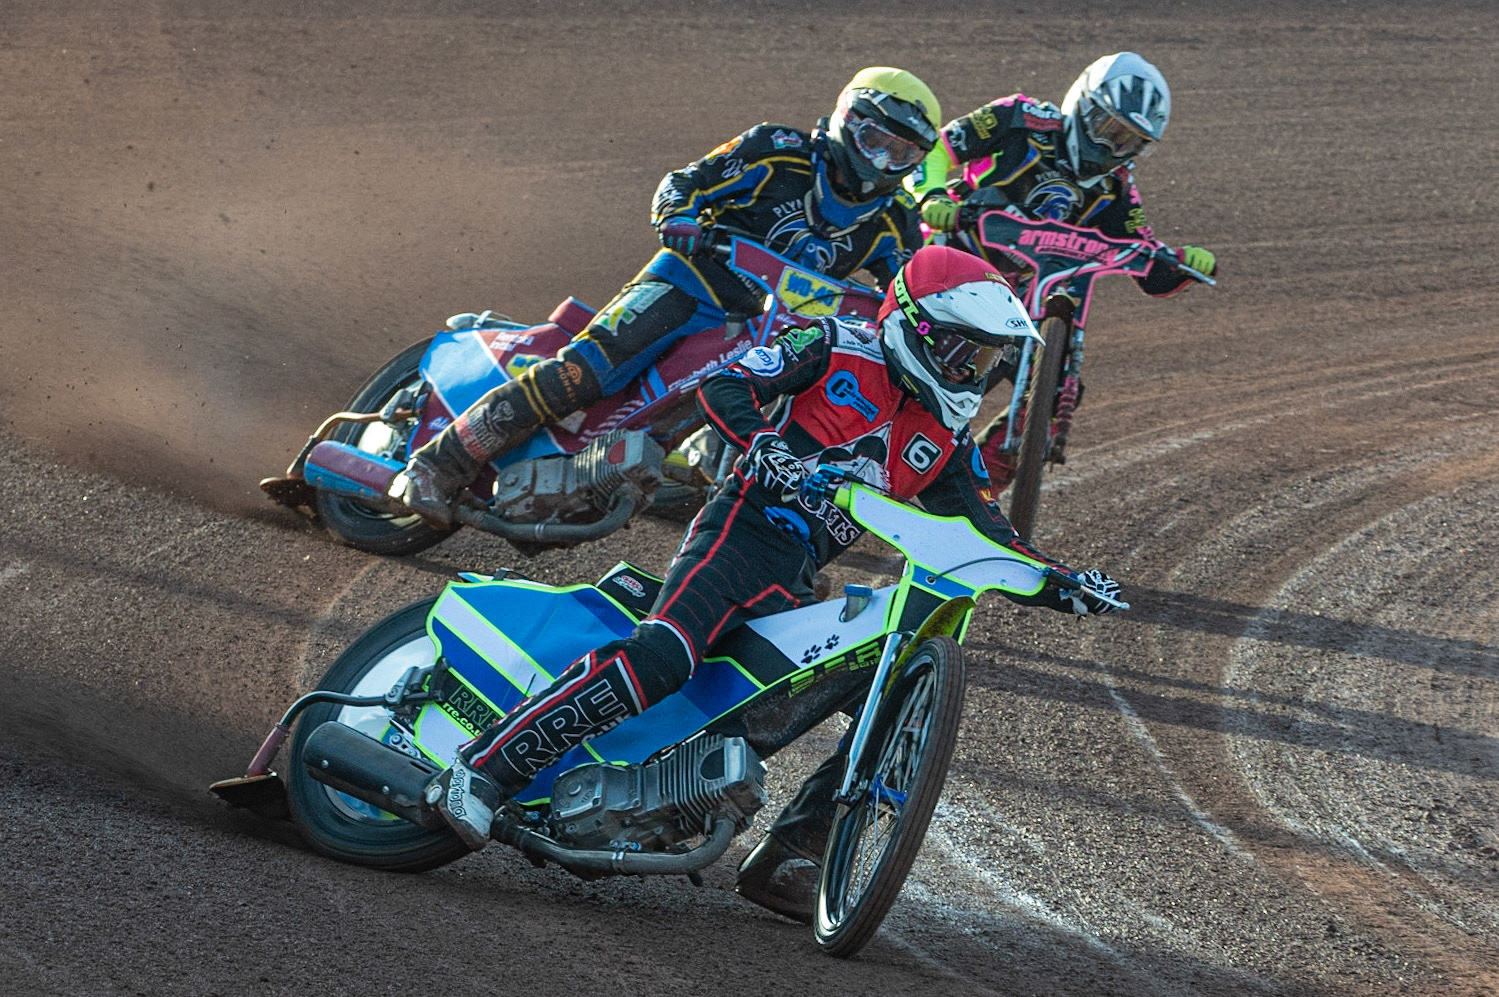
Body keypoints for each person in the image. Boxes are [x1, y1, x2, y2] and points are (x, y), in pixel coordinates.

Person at [420, 245, 1124, 923]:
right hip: (739, 530)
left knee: (886, 677)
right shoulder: (835, 343)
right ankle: (484, 769)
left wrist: (1061, 581)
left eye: (987, 358)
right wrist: (763, 441)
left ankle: (791, 854)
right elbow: (726, 385)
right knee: (664, 653)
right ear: (919, 328)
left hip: (797, 575)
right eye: (964, 352)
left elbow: (985, 531)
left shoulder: (942, 440)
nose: (975, 371)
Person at [392, 67, 943, 527]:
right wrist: (678, 216)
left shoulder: (896, 222)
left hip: (768, 329)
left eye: (902, 155)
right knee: (581, 376)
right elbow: (686, 181)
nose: (882, 162)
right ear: (848, 122)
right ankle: (437, 465)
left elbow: (905, 290)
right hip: (690, 283)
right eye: (875, 141)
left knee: (739, 420)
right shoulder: (777, 150)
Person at [907, 52, 1218, 481]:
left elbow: (1145, 259)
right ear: (1082, 105)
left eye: (1128, 143)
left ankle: (971, 492)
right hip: (948, 254)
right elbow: (938, 147)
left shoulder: (1116, 189)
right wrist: (933, 196)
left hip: (1017, 301)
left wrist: (1180, 263)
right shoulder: (1019, 118)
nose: (1112, 149)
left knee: (1054, 396)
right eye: (1109, 130)